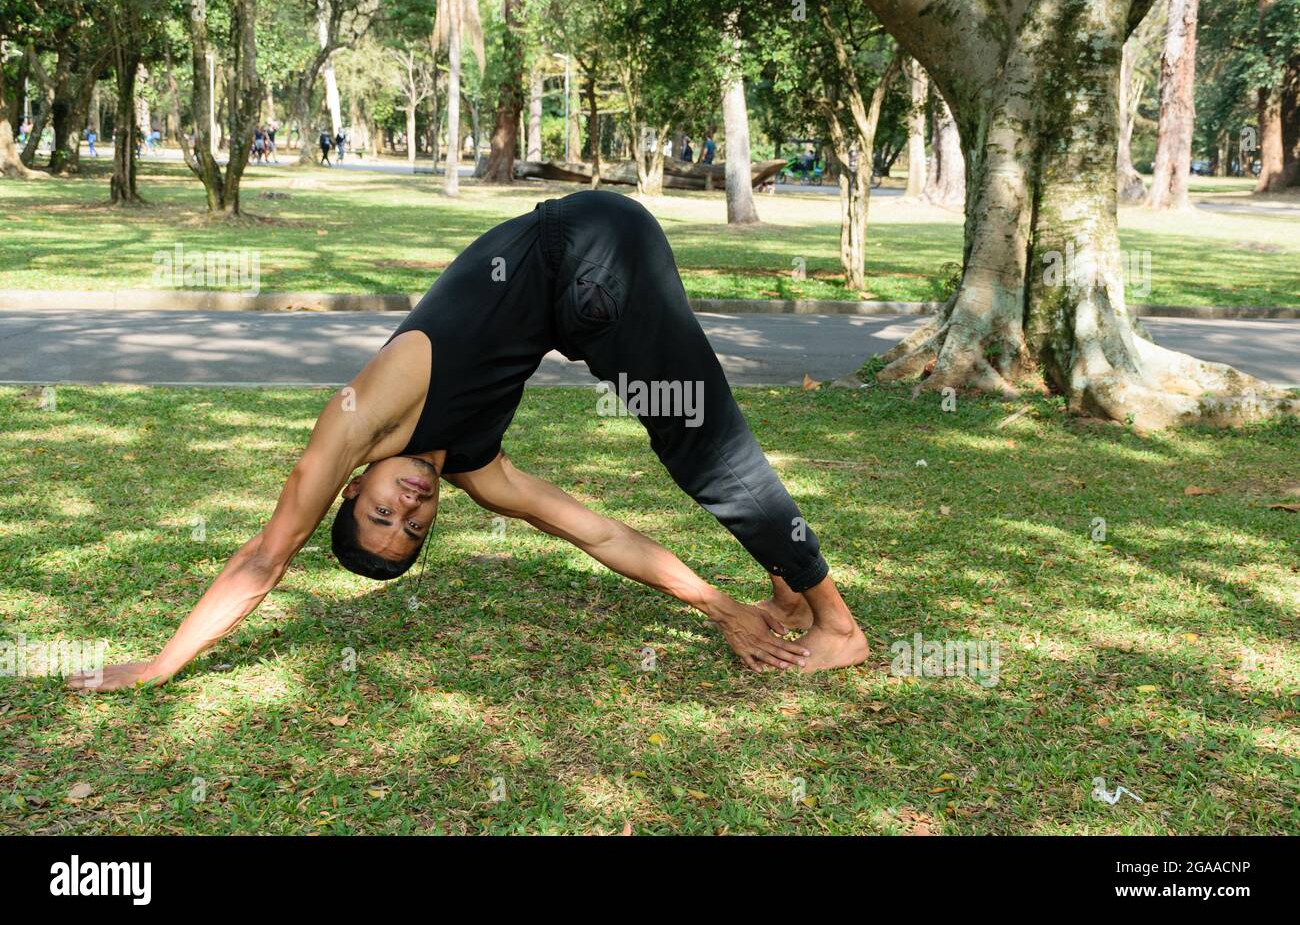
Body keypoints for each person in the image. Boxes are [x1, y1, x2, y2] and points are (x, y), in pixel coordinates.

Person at [67, 190, 868, 692]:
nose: (406, 509)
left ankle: (836, 625)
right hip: (592, 275)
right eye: (413, 529)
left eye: (380, 515)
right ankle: (785, 584)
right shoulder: (479, 468)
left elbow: (264, 559)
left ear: (351, 486)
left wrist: (162, 662)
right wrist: (719, 605)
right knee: (696, 437)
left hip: (585, 252)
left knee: (703, 446)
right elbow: (603, 534)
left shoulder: (359, 418)